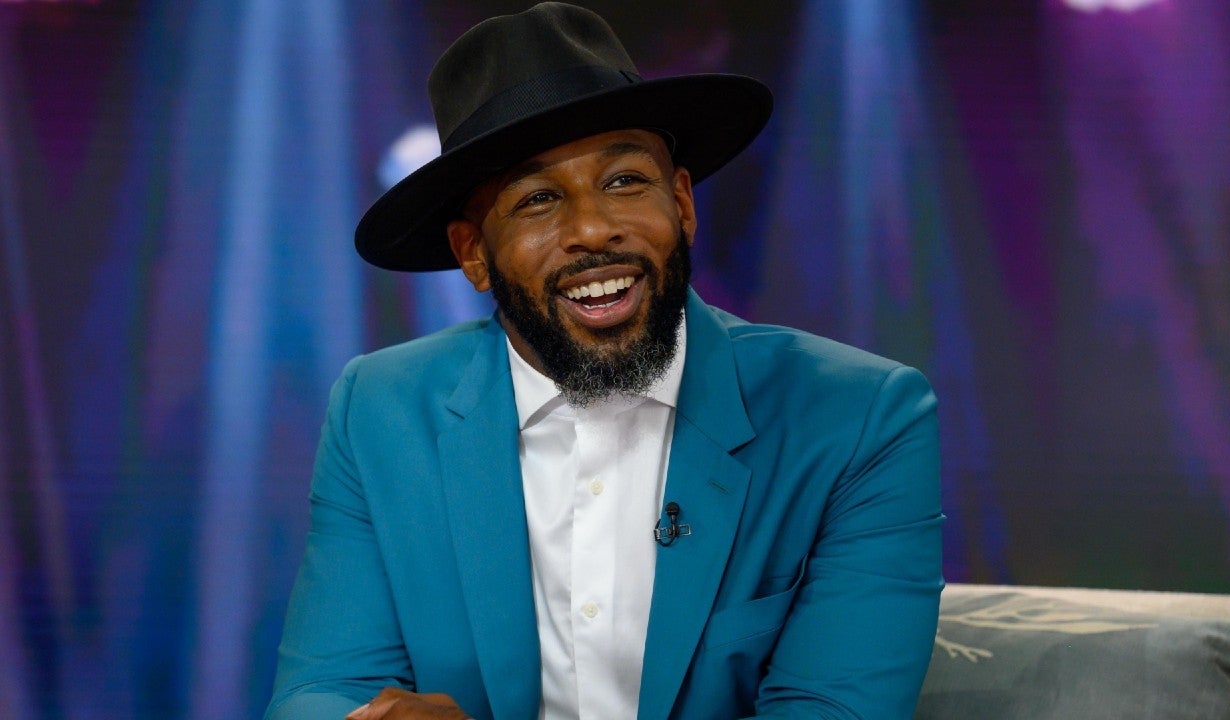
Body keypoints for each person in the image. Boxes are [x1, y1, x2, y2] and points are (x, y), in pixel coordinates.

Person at [265, 3, 943, 719]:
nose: (593, 229)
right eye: (537, 199)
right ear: (473, 254)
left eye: (624, 181)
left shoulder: (858, 418)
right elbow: (323, 688)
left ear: (681, 204)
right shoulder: (381, 409)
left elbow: (831, 709)